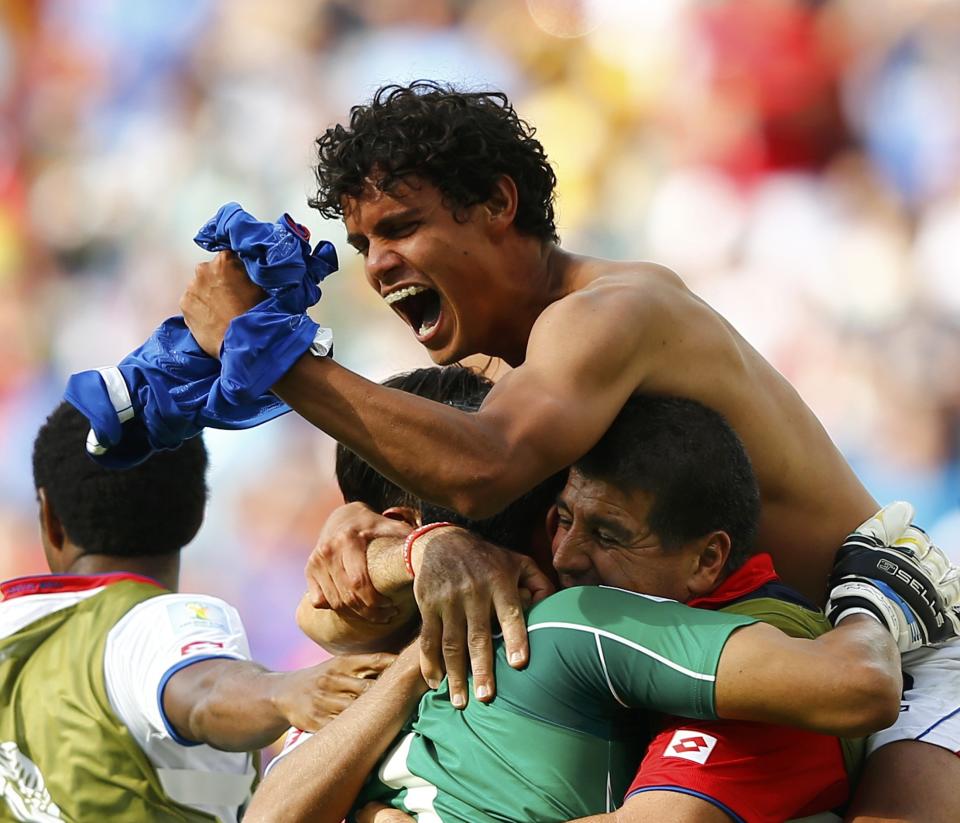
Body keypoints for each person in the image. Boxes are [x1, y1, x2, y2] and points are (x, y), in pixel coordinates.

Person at [180, 81, 960, 820]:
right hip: (700, 664)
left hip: (878, 645)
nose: (378, 263)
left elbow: (483, 470)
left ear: (497, 203)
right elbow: (328, 615)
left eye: (402, 226)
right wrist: (424, 545)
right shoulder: (486, 380)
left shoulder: (612, 314)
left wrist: (269, 355)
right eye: (362, 241)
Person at [247, 391, 922, 823]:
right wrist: (421, 570)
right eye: (561, 518)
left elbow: (860, 683)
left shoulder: (584, 622)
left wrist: (870, 599)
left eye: (607, 534)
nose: (568, 553)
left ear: (707, 560)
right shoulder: (393, 660)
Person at [0, 402, 392, 822]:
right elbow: (204, 690)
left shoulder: (14, 630)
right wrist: (284, 692)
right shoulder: (152, 622)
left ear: (50, 518)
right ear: (199, 513)